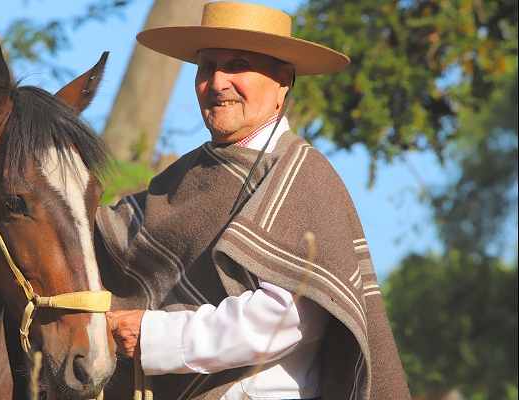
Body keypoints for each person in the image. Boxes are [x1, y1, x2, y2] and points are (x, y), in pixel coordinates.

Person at [98, 2, 411, 399]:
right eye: (207, 66)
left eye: (238, 64)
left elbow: (289, 315)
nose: (218, 82)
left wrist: (155, 335)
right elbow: (98, 245)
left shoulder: (304, 175)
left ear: (282, 82)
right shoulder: (181, 178)